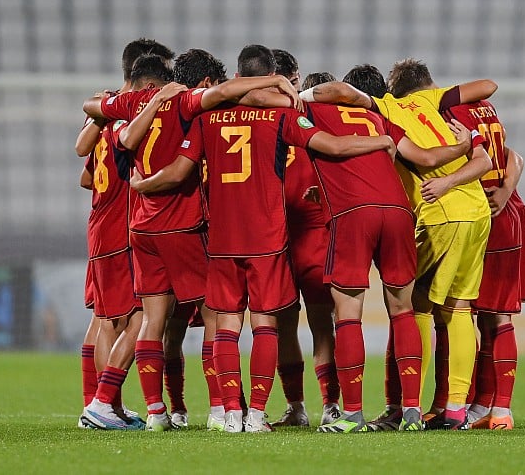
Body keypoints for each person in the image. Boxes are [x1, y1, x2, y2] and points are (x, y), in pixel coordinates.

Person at [128, 72, 397, 433]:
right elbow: (332, 146)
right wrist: (380, 140)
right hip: (269, 238)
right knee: (269, 324)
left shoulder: (207, 118)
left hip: (222, 238)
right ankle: (258, 414)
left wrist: (142, 185)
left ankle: (229, 413)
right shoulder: (283, 115)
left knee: (226, 325)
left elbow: (179, 169)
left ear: (239, 76)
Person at [304, 61, 495, 431]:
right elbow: (486, 92)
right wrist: (466, 142)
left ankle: (367, 411)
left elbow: (343, 134)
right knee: (449, 308)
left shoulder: (375, 110)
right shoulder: (429, 102)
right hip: (467, 212)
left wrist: (294, 98)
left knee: (377, 310)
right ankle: (442, 410)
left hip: (429, 214)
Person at [74, 38, 174, 430]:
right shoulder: (133, 112)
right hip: (119, 227)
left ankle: (101, 406)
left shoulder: (106, 108)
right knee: (133, 320)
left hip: (100, 223)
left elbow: (84, 170)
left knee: (106, 319)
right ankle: (102, 405)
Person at [423, 99, 525, 431]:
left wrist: (501, 190)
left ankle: (498, 408)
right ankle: (478, 404)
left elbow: (492, 158)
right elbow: (513, 155)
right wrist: (507, 187)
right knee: (474, 314)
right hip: (498, 210)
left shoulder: (450, 114)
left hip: (488, 214)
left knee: (480, 313)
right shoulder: (482, 108)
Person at [259, 49, 340, 427]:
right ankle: (297, 407)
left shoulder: (312, 114)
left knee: (321, 322)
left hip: (311, 232)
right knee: (283, 324)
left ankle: (331, 405)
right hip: (277, 234)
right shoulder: (264, 118)